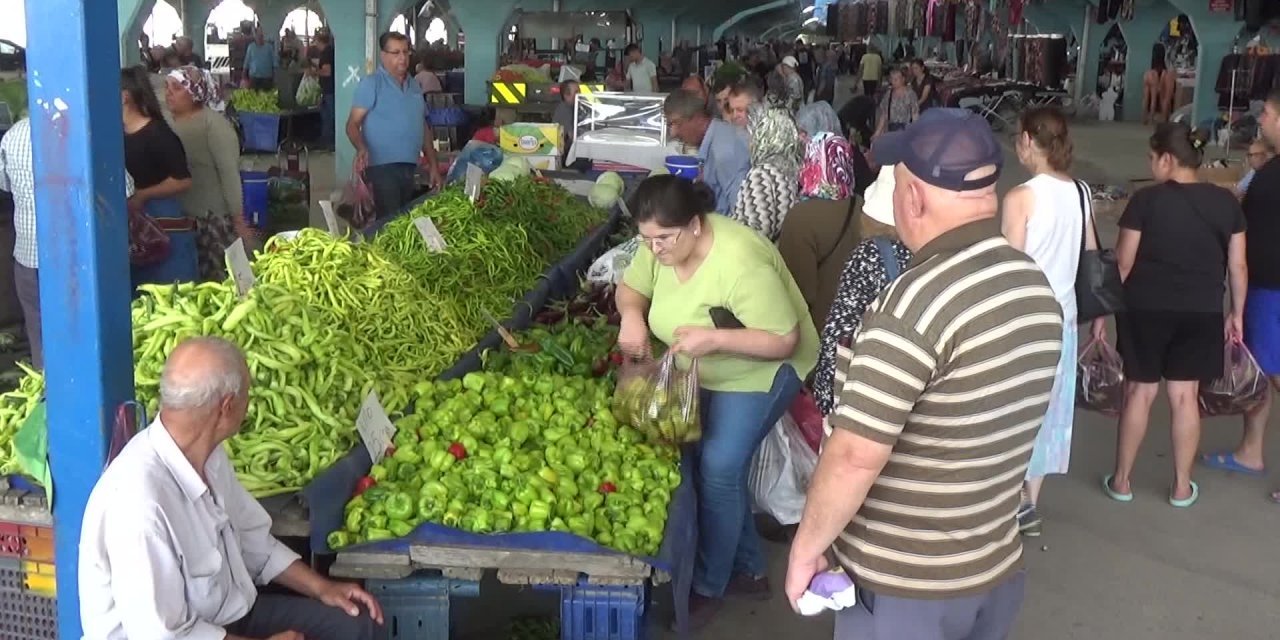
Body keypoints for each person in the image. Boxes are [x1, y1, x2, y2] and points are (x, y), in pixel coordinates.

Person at [787, 108, 1064, 639]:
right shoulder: (1032, 285)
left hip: (902, 588)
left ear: (912, 197)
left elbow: (854, 456)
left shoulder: (911, 305)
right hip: (993, 570)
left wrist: (806, 549)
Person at [79, 337, 383, 640]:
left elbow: (254, 542)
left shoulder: (209, 456)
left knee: (356, 625)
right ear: (227, 406)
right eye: (247, 395)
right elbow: (164, 636)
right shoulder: (139, 505)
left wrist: (323, 589)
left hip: (230, 617)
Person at [616, 176, 818, 630]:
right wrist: (632, 316)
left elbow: (784, 340)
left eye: (664, 239)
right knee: (717, 472)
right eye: (646, 240)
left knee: (720, 468)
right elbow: (631, 290)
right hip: (703, 369)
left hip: (760, 372)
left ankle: (710, 584)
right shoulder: (657, 248)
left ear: (694, 225)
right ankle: (749, 569)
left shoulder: (738, 260)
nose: (654, 250)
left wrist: (716, 338)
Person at [1105, 123, 1247, 508]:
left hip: (1144, 309)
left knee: (1139, 392)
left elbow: (1122, 263)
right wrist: (1236, 313)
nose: (1150, 164)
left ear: (1167, 159)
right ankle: (1181, 486)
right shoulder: (1226, 203)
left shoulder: (1145, 201)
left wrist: (1101, 310)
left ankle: (1122, 481)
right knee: (1185, 396)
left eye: (1152, 158)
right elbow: (1238, 267)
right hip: (1200, 310)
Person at [1001, 107, 1096, 536]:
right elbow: (1091, 255)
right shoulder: (1081, 192)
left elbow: (1011, 267)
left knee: (1011, 411)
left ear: (1026, 141)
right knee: (1049, 410)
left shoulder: (1020, 197)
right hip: (1065, 318)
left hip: (1025, 321)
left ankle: (1005, 502)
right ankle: (1029, 501)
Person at [1203, 90, 1280, 496]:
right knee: (1260, 373)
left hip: (1272, 289)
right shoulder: (1269, 166)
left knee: (1272, 372)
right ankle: (1251, 451)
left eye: (1267, 113)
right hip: (1263, 286)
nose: (1261, 119)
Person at [809, 164, 912, 415]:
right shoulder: (931, 251)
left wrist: (825, 399)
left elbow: (840, 329)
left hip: (869, 385)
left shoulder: (871, 255)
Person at [166, 66, 254, 281]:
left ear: (195, 93)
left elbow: (229, 174)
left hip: (211, 220)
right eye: (167, 87)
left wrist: (238, 219)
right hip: (182, 217)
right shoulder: (169, 124)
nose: (168, 93)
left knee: (219, 282)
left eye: (176, 88)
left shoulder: (214, 126)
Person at [346, 32, 442, 220]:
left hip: (410, 166)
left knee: (406, 221)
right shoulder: (372, 84)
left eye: (406, 52)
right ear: (383, 55)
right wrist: (361, 147)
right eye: (396, 52)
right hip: (382, 167)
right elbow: (351, 125)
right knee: (390, 222)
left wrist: (433, 165)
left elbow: (422, 127)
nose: (402, 58)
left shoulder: (414, 85)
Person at [777, 132, 866, 330]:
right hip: (857, 326)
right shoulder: (863, 206)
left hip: (818, 330)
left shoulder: (800, 217)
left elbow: (797, 290)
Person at [664, 88, 750, 215]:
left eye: (676, 123)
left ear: (697, 118)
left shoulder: (724, 151)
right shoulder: (715, 140)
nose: (673, 133)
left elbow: (742, 213)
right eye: (670, 125)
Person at [122, 67, 191, 218]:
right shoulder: (118, 134)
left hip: (163, 218)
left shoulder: (158, 134)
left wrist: (143, 195)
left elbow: (183, 181)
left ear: (124, 97)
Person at [731, 106, 801, 239]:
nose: (749, 143)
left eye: (753, 136)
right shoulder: (795, 172)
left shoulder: (761, 175)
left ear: (762, 138)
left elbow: (755, 233)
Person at [306, 32, 336, 149]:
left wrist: (313, 72)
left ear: (319, 41)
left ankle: (330, 141)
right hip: (328, 89)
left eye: (315, 41)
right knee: (326, 116)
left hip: (329, 90)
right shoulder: (329, 51)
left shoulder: (326, 53)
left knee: (329, 115)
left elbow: (327, 72)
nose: (315, 44)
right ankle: (326, 140)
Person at [873, 68, 918, 139]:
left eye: (896, 79)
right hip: (892, 129)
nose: (894, 81)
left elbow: (915, 114)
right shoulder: (889, 94)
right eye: (892, 79)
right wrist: (877, 132)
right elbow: (884, 114)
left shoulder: (911, 94)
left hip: (906, 129)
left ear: (903, 79)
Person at [554, 80, 579, 165]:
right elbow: (572, 136)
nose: (580, 94)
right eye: (576, 92)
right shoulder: (564, 110)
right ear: (566, 95)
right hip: (565, 155)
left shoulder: (572, 107)